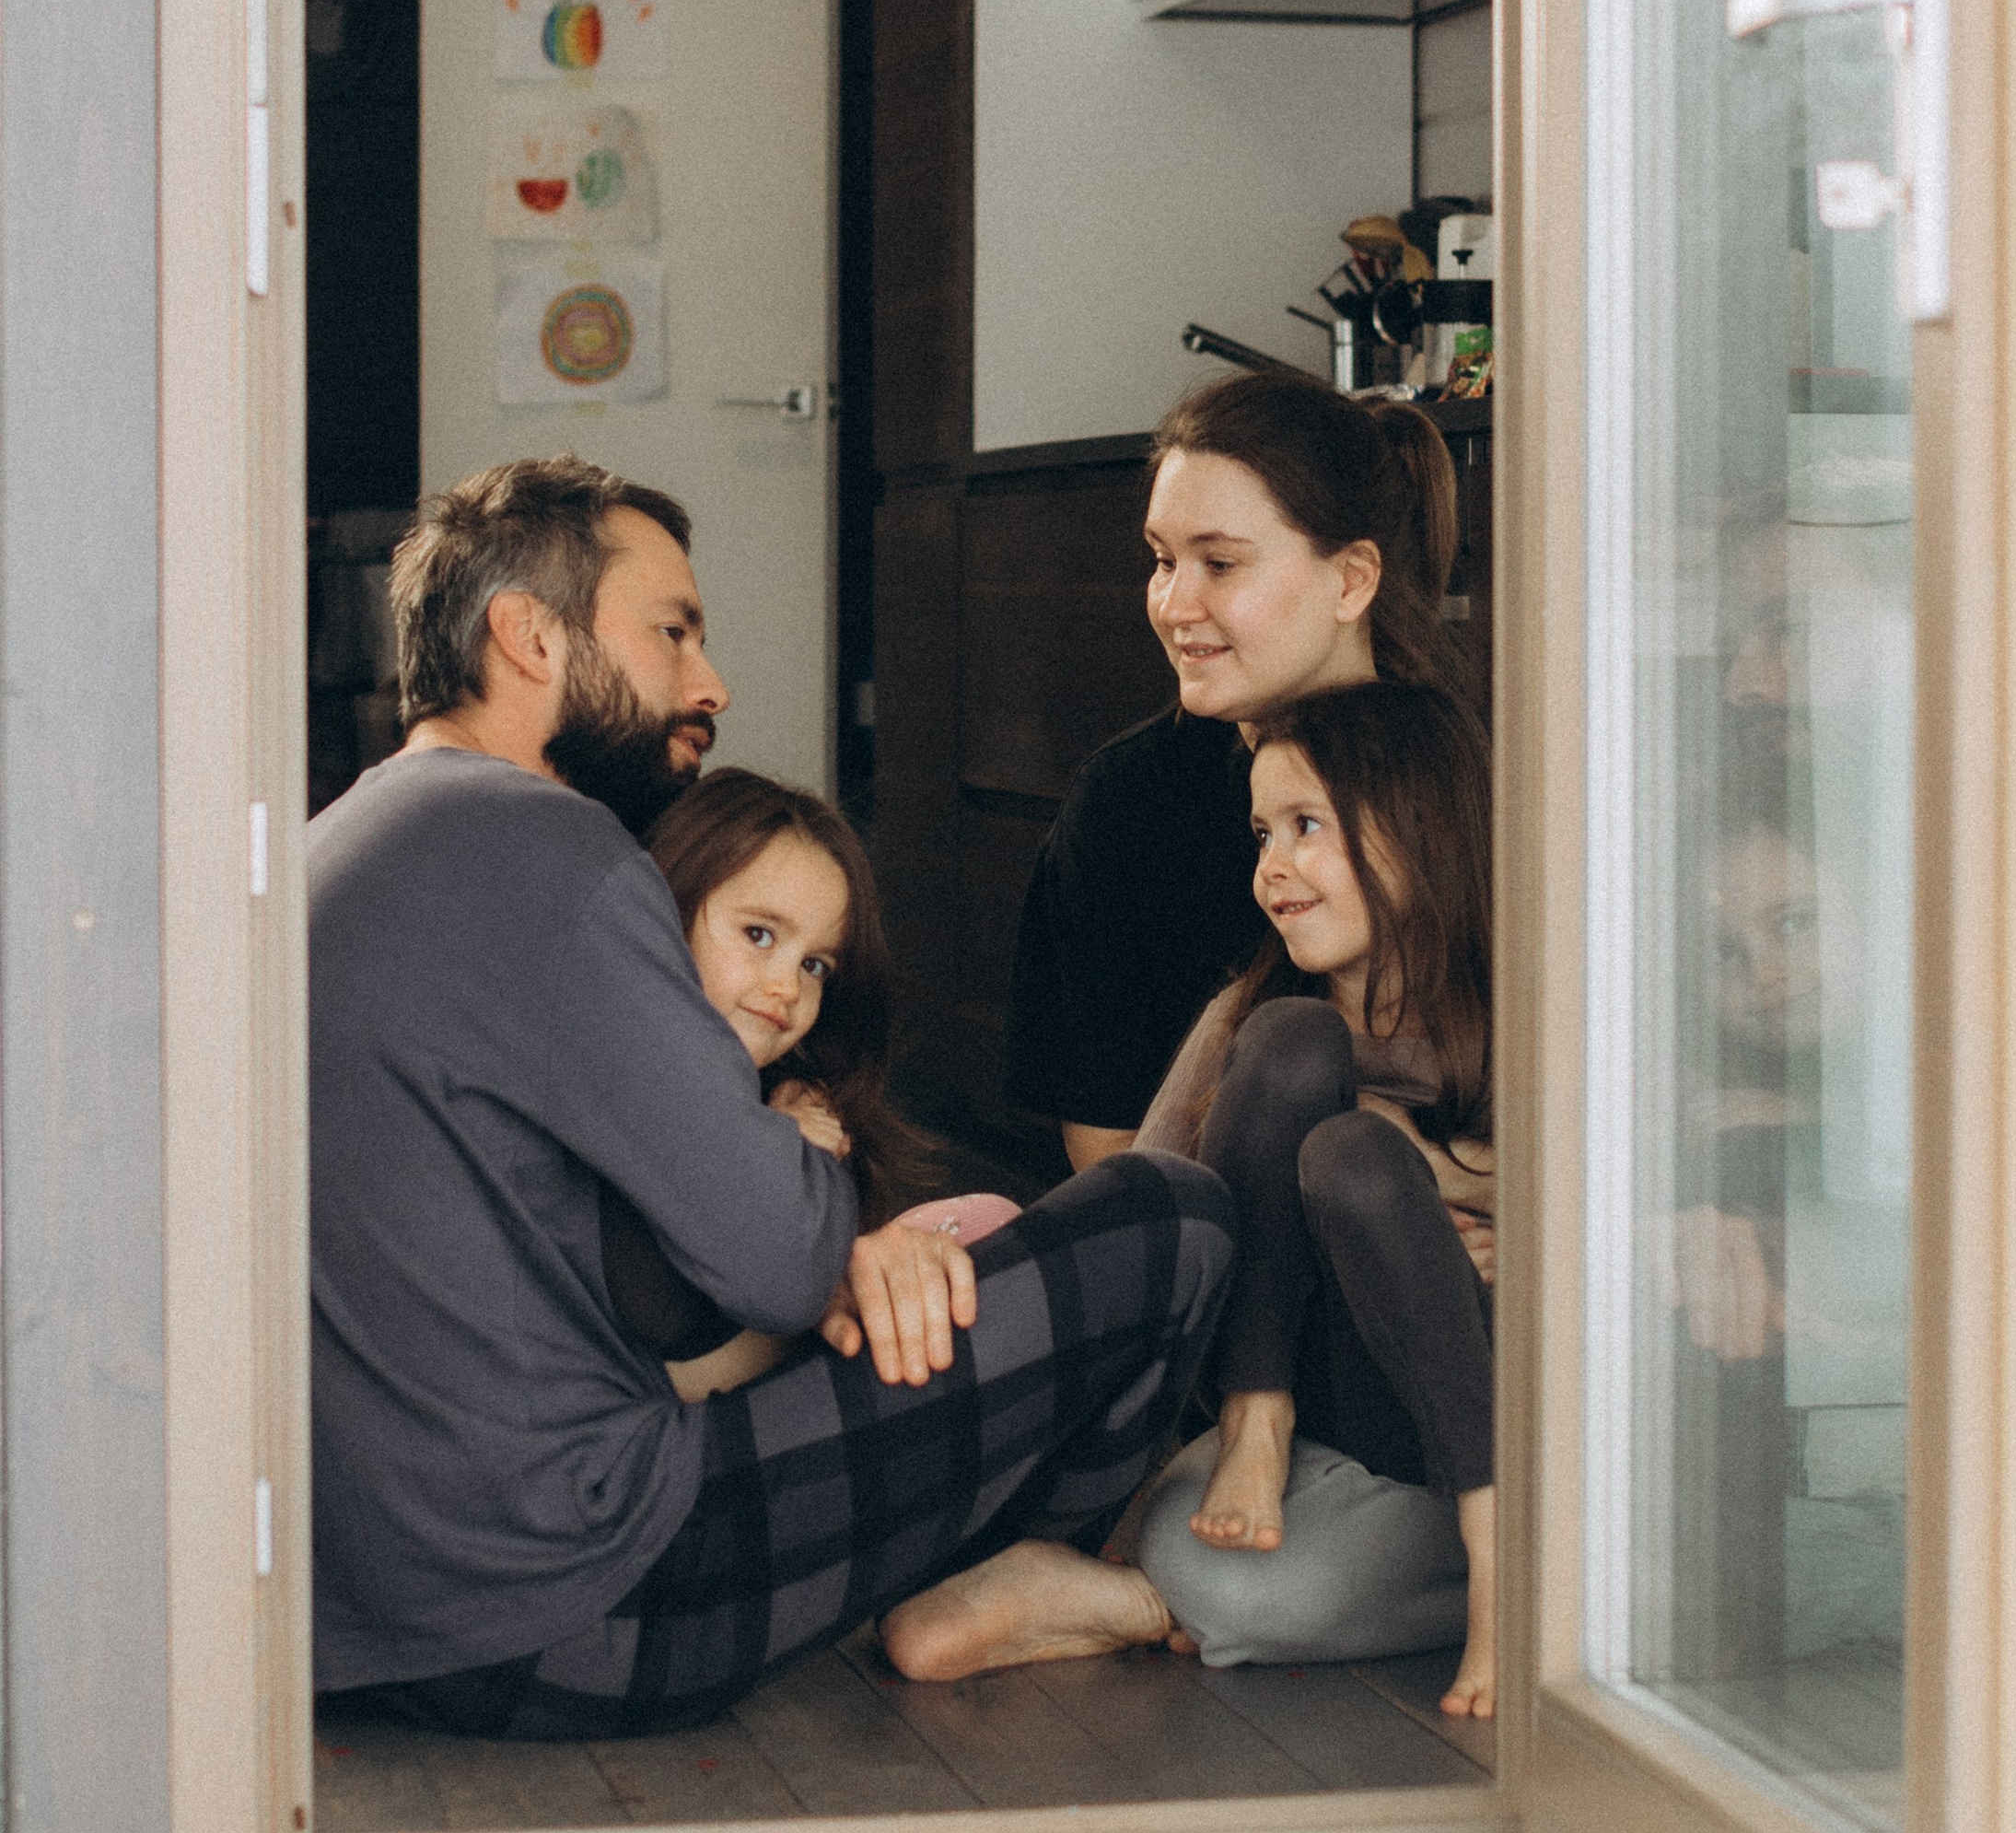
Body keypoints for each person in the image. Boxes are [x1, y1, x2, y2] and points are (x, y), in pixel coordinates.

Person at [309, 455, 1233, 1739]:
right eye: (671, 631)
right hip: (573, 1595)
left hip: (363, 1620)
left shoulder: (343, 844)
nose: (711, 684)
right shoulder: (546, 850)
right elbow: (786, 1260)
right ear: (527, 635)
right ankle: (1004, 1574)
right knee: (1173, 1218)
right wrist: (799, 1137)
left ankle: (998, 1578)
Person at [1132, 682, 1499, 1719]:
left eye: (1306, 828)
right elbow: (1148, 1216)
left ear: (1422, 833)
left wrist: (1485, 1215)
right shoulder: (1256, 1022)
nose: (1272, 869)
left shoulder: (1520, 1019)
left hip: (1453, 1399)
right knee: (1296, 1053)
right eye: (1261, 835)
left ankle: (1496, 1541)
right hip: (1313, 1393)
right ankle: (1257, 1420)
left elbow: (1608, 1208)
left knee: (1349, 1155)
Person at [1001, 372, 1465, 1168]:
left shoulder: (1469, 780)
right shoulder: (1124, 806)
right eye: (1161, 560)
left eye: (1219, 563)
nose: (1174, 605)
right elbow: (1114, 1158)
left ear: (1352, 578)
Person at [602, 766, 1020, 1405]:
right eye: (759, 934)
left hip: (776, 1379)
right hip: (696, 1436)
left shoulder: (793, 1095)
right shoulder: (616, 1086)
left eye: (816, 965)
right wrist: (768, 1145)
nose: (788, 987)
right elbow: (685, 1314)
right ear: (671, 906)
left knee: (992, 1227)